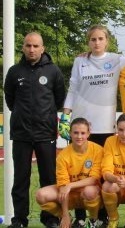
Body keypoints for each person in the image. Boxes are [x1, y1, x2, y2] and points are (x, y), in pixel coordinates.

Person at [62, 25, 125, 227]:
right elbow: (73, 89)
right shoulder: (80, 61)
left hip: (105, 127)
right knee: (79, 171)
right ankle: (80, 217)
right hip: (81, 128)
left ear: (107, 41)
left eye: (100, 39)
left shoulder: (115, 59)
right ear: (88, 42)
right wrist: (66, 116)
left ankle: (101, 217)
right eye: (93, 39)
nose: (97, 42)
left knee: (101, 174)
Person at [4, 32, 66, 228]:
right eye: (28, 45)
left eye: (35, 46)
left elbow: (59, 99)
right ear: (23, 47)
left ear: (42, 48)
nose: (32, 49)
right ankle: (19, 220)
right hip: (21, 134)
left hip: (45, 133)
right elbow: (10, 100)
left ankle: (50, 218)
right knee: (20, 179)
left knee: (48, 178)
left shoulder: (54, 71)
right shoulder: (14, 71)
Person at [35, 118, 104, 228]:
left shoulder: (98, 150)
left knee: (89, 191)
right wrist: (65, 214)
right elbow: (63, 186)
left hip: (89, 193)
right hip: (70, 194)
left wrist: (70, 185)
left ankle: (93, 220)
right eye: (76, 133)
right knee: (41, 195)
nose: (79, 136)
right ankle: (66, 217)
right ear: (70, 133)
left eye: (83, 133)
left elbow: (94, 179)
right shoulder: (63, 155)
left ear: (88, 134)